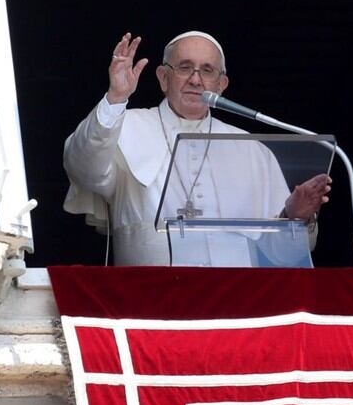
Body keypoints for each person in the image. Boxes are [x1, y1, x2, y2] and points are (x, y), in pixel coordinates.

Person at [63, 31, 331, 266]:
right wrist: (116, 98)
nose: (195, 79)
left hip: (234, 303)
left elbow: (279, 255)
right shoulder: (124, 126)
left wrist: (292, 217)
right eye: (184, 67)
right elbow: (83, 168)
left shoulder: (251, 149)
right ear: (163, 78)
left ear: (221, 85)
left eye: (207, 70)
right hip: (149, 301)